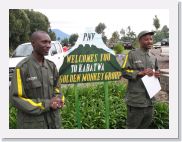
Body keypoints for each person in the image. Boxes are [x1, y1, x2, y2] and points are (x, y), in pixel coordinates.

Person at [10, 31, 64, 129]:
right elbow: (16, 98)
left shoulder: (51, 66)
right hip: (33, 125)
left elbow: (57, 89)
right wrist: (47, 104)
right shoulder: (22, 68)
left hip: (53, 122)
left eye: (49, 42)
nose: (48, 46)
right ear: (33, 44)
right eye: (44, 42)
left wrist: (59, 100)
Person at [121, 30, 160, 129]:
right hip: (136, 101)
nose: (150, 41)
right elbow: (123, 71)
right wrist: (140, 73)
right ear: (140, 41)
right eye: (146, 39)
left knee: (144, 128)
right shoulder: (132, 54)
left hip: (150, 102)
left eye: (151, 39)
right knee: (133, 129)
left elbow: (157, 74)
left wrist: (157, 75)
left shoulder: (153, 57)